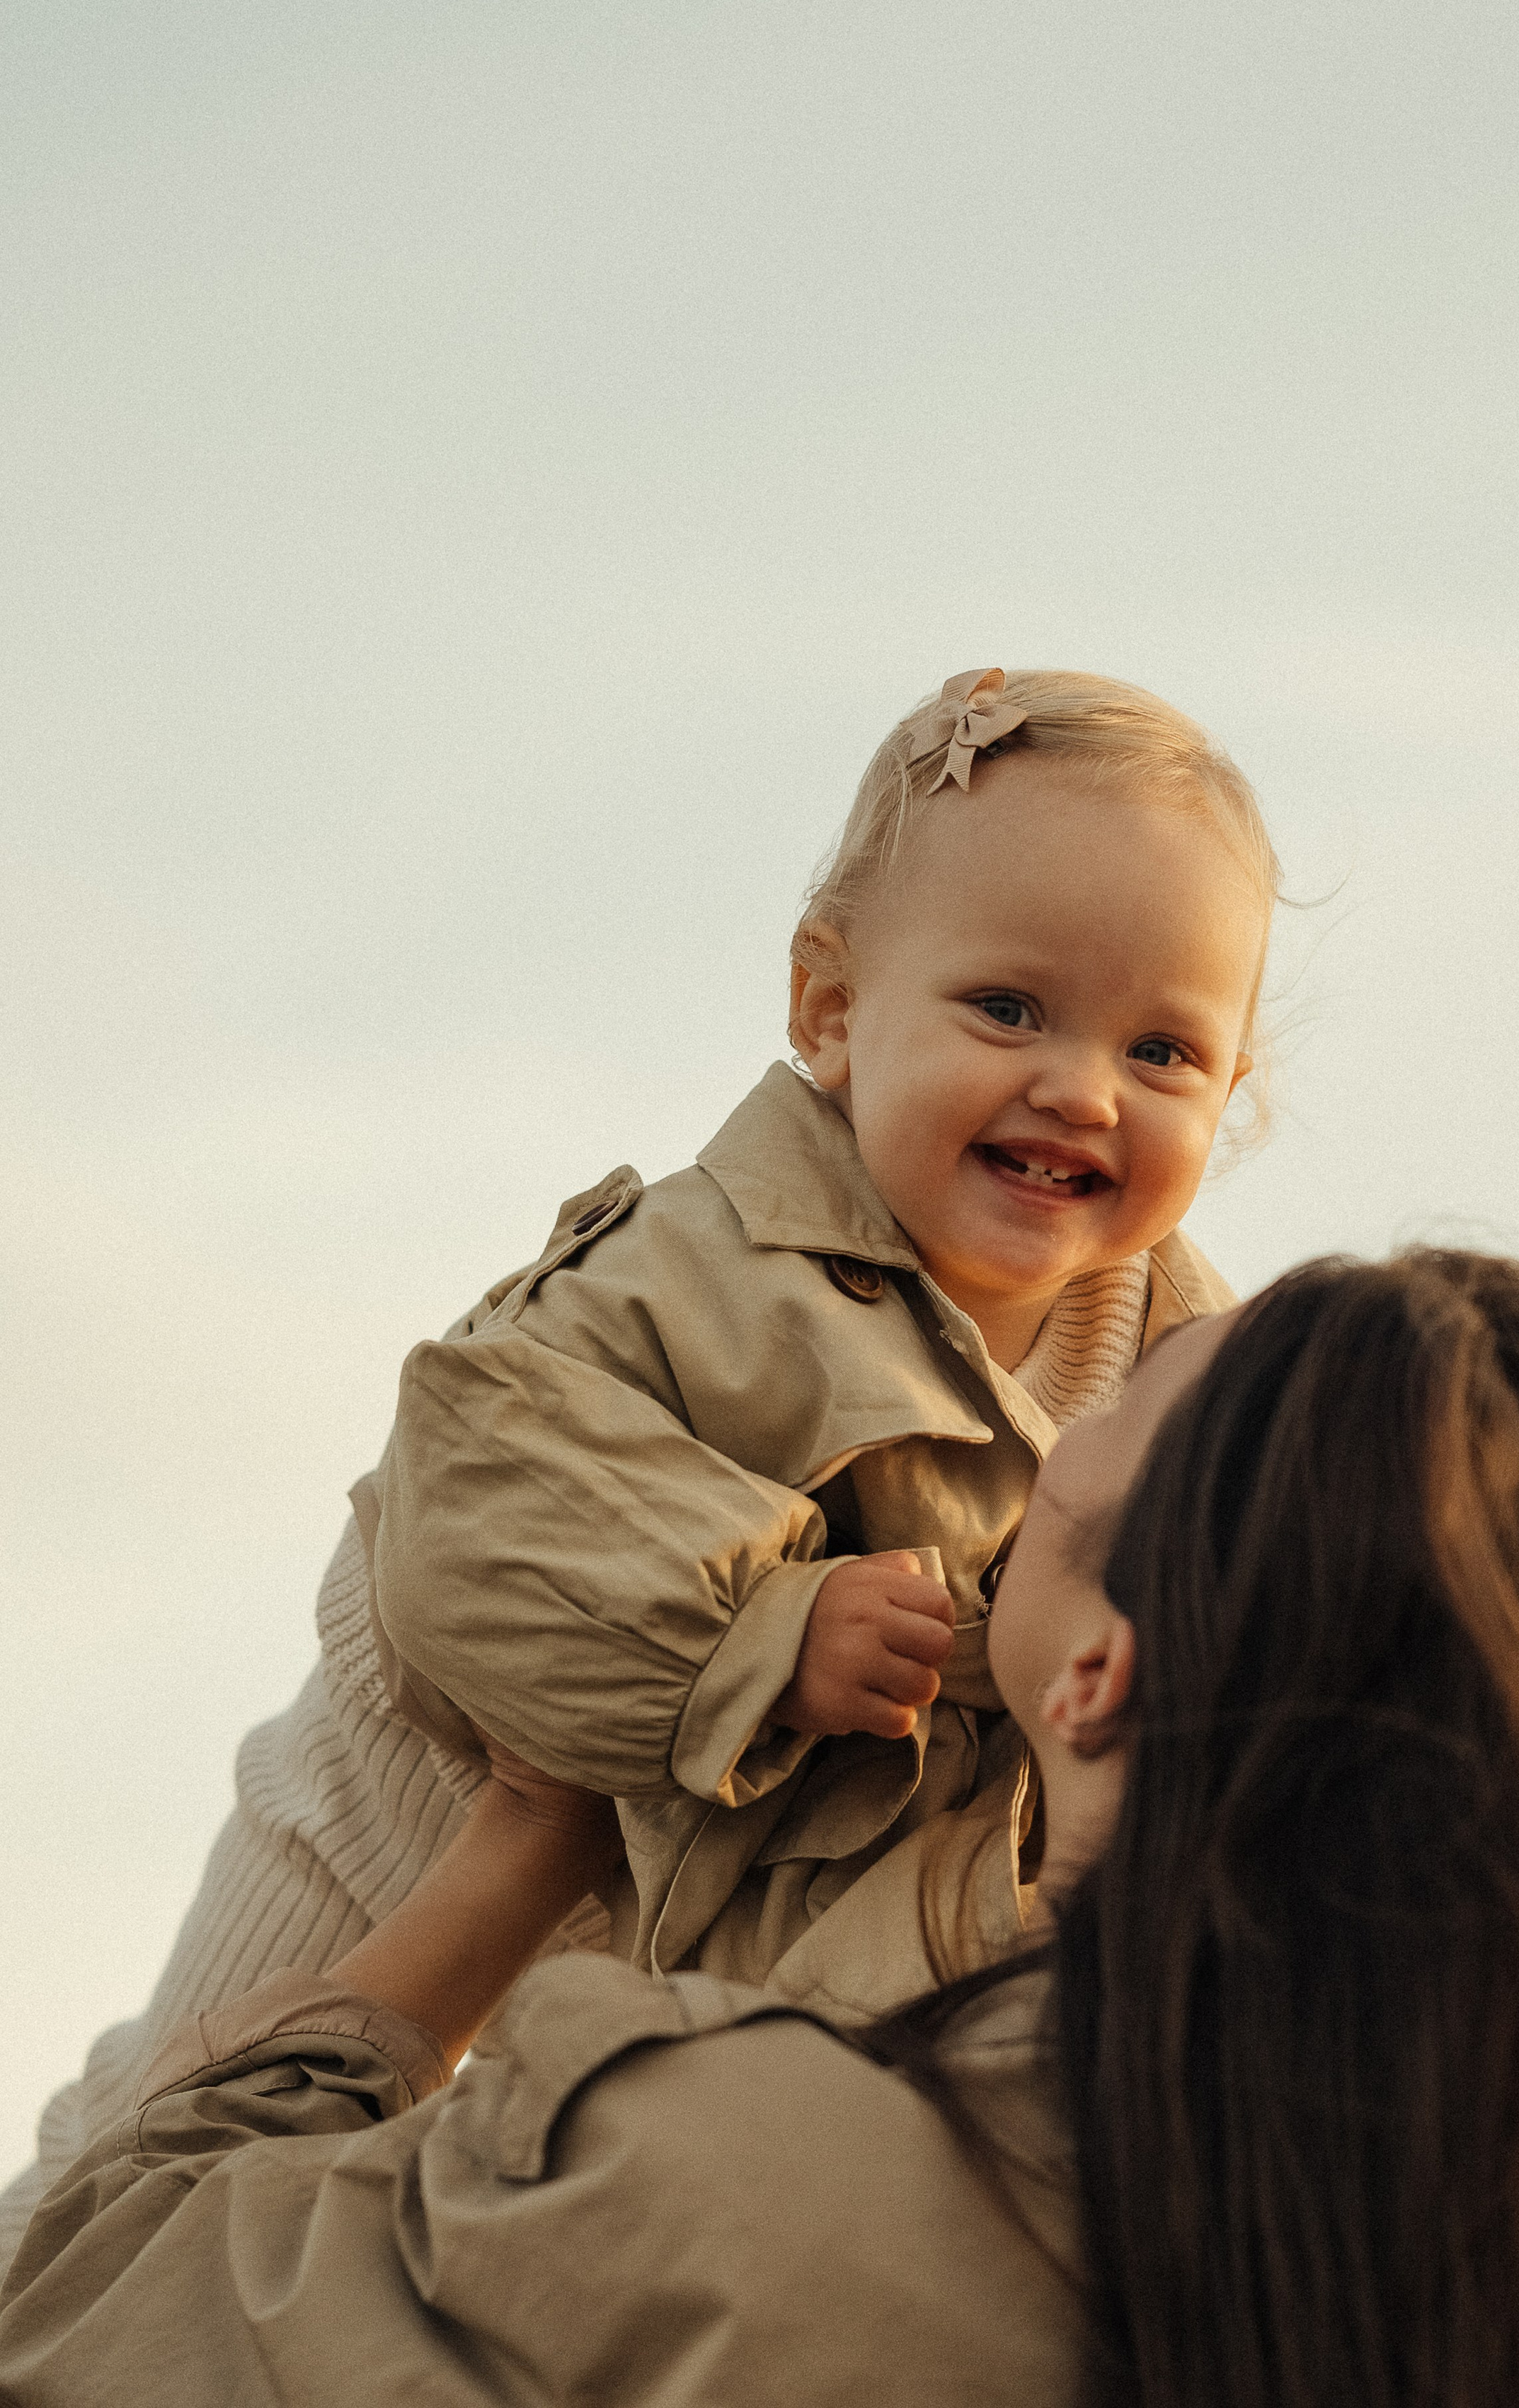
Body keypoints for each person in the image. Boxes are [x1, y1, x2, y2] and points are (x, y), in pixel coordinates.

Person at [7, 1248, 1519, 2406]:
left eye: (1126, 1399)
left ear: (1100, 1673)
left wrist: (500, 1857)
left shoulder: (736, 2181)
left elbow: (71, 2318)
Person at [0, 665, 1278, 2262]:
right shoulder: (705, 1254)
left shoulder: (1177, 1353)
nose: (1079, 1085)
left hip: (775, 1873)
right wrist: (761, 1628)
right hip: (453, 1773)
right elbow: (480, 1476)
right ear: (830, 1010)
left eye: (1161, 1051)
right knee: (192, 2122)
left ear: (1230, 1093)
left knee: (600, 2240)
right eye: (1007, 1008)